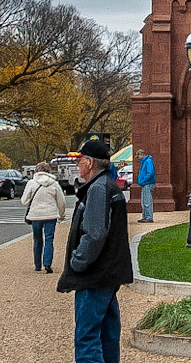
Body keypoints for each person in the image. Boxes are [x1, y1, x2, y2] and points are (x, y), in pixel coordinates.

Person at [56, 134, 133, 363]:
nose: (77, 165)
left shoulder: (98, 189)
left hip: (94, 275)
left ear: (90, 163)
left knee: (87, 338)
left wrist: (77, 261)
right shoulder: (108, 187)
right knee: (107, 335)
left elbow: (95, 233)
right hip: (107, 273)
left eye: (80, 160)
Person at [21, 159, 65, 271]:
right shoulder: (54, 183)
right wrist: (61, 214)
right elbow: (61, 201)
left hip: (35, 215)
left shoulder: (31, 183)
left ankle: (37, 265)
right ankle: (47, 263)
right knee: (49, 239)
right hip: (50, 215)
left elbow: (24, 201)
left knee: (37, 239)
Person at [136, 151, 155, 223]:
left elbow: (150, 173)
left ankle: (148, 217)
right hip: (146, 183)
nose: (138, 158)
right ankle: (145, 216)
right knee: (144, 201)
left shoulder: (148, 161)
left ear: (141, 155)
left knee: (147, 201)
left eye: (138, 156)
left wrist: (143, 181)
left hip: (147, 183)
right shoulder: (146, 162)